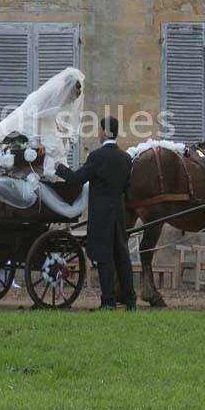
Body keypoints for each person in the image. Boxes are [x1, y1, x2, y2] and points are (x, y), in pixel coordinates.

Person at [55, 117, 136, 310]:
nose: (97, 133)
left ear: (105, 132)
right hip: (118, 213)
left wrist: (60, 169)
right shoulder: (126, 159)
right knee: (122, 257)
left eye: (99, 130)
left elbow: (77, 179)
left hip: (101, 216)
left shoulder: (96, 157)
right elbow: (126, 187)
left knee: (104, 258)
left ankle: (108, 301)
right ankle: (130, 301)